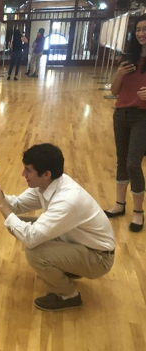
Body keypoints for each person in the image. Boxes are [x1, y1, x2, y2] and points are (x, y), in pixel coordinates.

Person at [0, 144, 115, 311]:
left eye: (27, 170)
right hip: (78, 243)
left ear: (46, 174)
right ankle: (67, 266)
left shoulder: (67, 200)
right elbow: (18, 205)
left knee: (35, 252)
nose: (23, 174)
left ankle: (68, 296)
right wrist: (0, 195)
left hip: (99, 259)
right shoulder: (48, 183)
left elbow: (30, 239)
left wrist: (2, 206)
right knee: (15, 225)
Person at [103, 14, 146, 233]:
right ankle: (120, 204)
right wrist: (119, 73)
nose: (141, 33)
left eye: (145, 29)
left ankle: (138, 212)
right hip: (121, 114)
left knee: (132, 163)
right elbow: (113, 90)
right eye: (138, 29)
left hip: (142, 117)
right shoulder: (128, 59)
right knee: (121, 161)